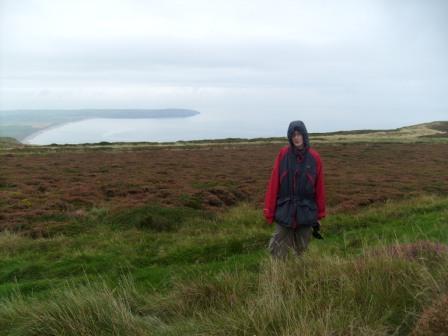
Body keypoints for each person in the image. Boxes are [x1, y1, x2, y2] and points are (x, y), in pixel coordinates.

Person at [263, 120, 326, 258]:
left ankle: (300, 276)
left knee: (302, 252)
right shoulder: (283, 155)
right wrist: (269, 211)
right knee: (277, 249)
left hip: (306, 211)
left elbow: (319, 188)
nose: (296, 137)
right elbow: (274, 184)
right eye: (293, 135)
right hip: (285, 211)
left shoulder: (315, 158)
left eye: (299, 134)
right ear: (290, 137)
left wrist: (319, 213)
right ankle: (278, 276)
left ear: (304, 135)